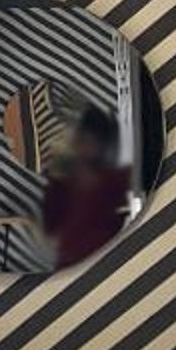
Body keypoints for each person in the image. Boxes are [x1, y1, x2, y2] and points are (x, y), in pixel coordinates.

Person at [40, 105, 133, 267]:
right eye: (85, 140)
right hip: (71, 263)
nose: (89, 146)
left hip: (106, 259)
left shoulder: (115, 180)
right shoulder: (59, 184)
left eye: (93, 141)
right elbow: (50, 227)